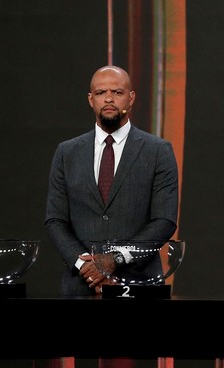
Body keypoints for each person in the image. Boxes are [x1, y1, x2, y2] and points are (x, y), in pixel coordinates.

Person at [44, 65, 179, 296]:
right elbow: (55, 220)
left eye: (117, 92)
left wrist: (114, 259)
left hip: (140, 283)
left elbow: (164, 221)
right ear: (90, 100)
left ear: (131, 98)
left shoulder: (158, 151)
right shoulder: (67, 152)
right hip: (81, 285)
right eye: (100, 93)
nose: (108, 98)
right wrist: (86, 267)